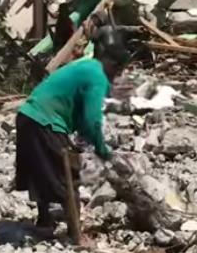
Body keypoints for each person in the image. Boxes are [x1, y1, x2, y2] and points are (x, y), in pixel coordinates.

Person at [14, 27, 129, 241]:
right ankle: (77, 236)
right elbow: (92, 120)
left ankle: (44, 221)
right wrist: (103, 150)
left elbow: (77, 112)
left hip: (27, 116)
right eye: (118, 70)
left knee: (41, 169)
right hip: (45, 121)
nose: (117, 76)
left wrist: (84, 139)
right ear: (111, 63)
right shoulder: (98, 75)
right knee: (68, 176)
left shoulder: (84, 66)